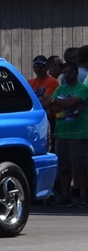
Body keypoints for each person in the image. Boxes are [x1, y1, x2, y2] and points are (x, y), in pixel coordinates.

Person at [45, 62, 88, 207]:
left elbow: (70, 103)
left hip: (78, 133)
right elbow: (55, 107)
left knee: (79, 167)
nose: (67, 75)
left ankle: (83, 195)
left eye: (70, 72)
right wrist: (59, 103)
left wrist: (55, 101)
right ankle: (65, 195)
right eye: (65, 72)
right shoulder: (60, 89)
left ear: (76, 73)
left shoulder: (82, 89)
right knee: (63, 167)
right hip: (61, 132)